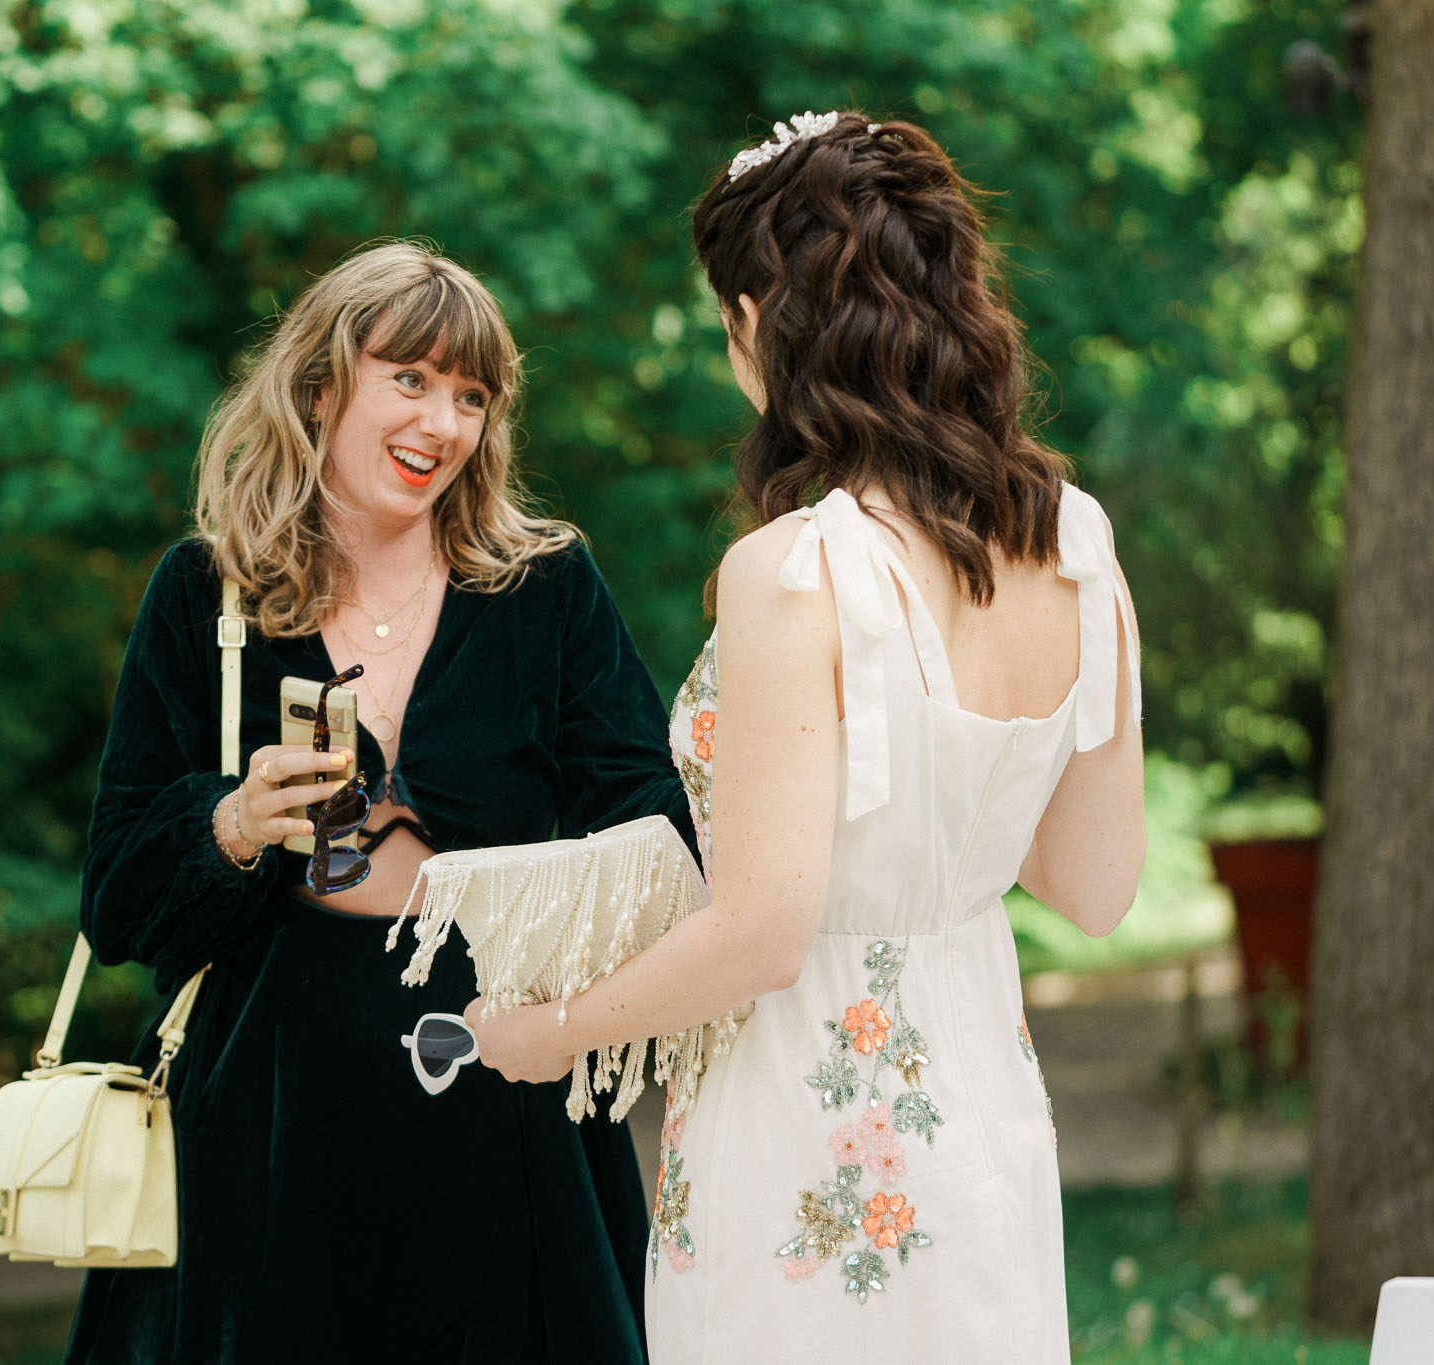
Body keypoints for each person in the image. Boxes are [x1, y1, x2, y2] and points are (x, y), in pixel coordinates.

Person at [467, 112, 1145, 1362]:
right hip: (980, 1119)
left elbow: (763, 936)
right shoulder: (1077, 550)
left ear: (753, 319)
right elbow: (1092, 887)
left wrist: (541, 1034)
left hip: (797, 1124)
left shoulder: (797, 570)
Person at [64, 240, 691, 1364]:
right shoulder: (203, 595)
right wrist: (236, 823)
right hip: (272, 1121)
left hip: (502, 1098)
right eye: (408, 379)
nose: (442, 423)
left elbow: (655, 826)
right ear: (318, 387)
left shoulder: (543, 587)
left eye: (469, 396)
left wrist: (503, 899)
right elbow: (117, 902)